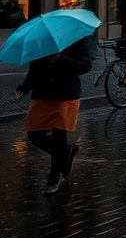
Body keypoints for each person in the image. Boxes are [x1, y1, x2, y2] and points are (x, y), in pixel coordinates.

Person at [16, 33, 95, 195]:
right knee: (34, 134)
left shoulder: (75, 38)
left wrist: (63, 59)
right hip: (43, 93)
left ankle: (53, 178)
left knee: (59, 136)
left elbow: (85, 65)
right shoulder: (41, 41)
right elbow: (35, 68)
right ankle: (66, 153)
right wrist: (25, 87)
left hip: (66, 94)